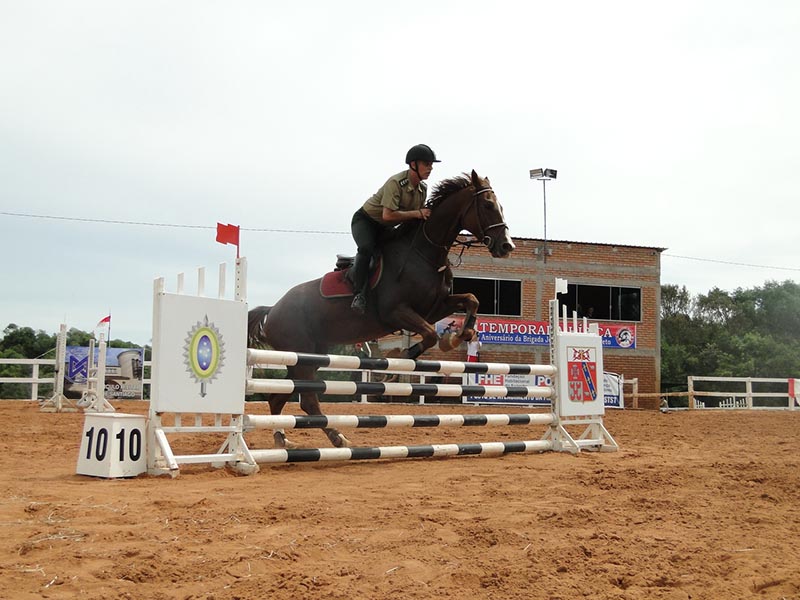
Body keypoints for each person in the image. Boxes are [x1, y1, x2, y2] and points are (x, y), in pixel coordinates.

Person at [350, 144, 441, 313]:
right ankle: (358, 295)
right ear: (413, 164)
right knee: (366, 248)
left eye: (431, 165)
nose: (431, 168)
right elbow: (388, 216)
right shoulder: (396, 183)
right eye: (426, 164)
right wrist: (418, 213)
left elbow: (416, 218)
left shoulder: (422, 188)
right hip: (366, 221)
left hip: (385, 227)